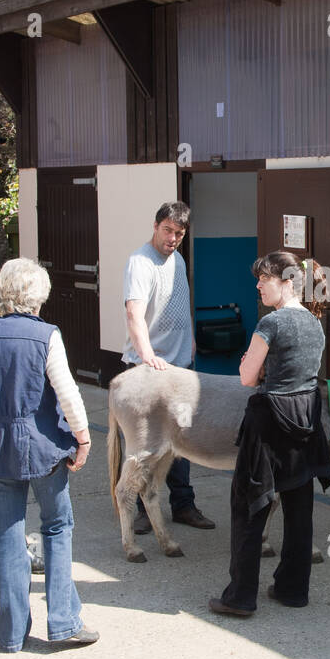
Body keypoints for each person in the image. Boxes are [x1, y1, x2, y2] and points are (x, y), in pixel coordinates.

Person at [0, 258, 97, 651]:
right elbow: (68, 394)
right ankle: (63, 622)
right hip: (44, 446)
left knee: (8, 537)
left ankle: (10, 633)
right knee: (57, 528)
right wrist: (84, 439)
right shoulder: (46, 335)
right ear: (37, 296)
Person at [210, 253, 330, 617]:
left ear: (288, 282)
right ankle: (293, 589)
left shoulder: (271, 324)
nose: (258, 285)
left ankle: (240, 598)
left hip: (268, 422)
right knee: (299, 508)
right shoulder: (316, 323)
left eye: (265, 278)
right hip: (306, 419)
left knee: (250, 505)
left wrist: (255, 368)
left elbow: (247, 377)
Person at [121, 201, 214, 533]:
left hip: (181, 368)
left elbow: (179, 303)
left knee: (182, 437)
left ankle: (184, 504)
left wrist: (188, 341)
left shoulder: (177, 259)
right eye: (167, 230)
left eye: (179, 233)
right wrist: (147, 356)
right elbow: (134, 313)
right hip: (149, 371)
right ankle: (143, 509)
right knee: (146, 442)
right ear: (155, 225)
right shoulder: (140, 262)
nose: (173, 238)